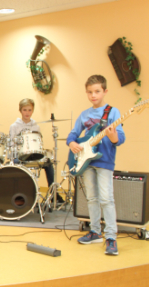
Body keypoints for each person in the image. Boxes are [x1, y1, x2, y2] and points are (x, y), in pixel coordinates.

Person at [67, 75, 125, 255]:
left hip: (105, 161)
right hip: (86, 161)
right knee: (92, 198)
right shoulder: (84, 115)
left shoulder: (113, 113)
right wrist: (72, 144)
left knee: (107, 199)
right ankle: (94, 231)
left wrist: (112, 135)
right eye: (90, 92)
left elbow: (119, 138)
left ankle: (111, 237)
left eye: (97, 91)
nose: (94, 95)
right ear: (87, 93)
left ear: (105, 91)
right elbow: (74, 134)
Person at [8, 98, 63, 203]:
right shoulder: (14, 126)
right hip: (20, 156)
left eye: (29, 110)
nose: (27, 113)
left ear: (32, 110)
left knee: (48, 163)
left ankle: (53, 193)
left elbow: (38, 144)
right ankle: (18, 195)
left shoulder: (36, 126)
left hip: (33, 155)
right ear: (20, 110)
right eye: (25, 110)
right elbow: (11, 145)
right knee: (13, 164)